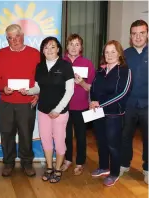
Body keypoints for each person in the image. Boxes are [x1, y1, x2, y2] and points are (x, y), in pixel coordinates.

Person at [20, 36, 74, 183]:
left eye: (52, 47)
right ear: (42, 50)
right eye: (46, 47)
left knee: (60, 141)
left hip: (60, 113)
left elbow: (69, 91)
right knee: (45, 141)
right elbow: (38, 87)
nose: (49, 50)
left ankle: (58, 169)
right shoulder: (40, 66)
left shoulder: (65, 66)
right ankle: (49, 167)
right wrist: (29, 91)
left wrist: (57, 109)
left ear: (58, 49)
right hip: (43, 110)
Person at [0, 24, 40, 177]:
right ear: (7, 40)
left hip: (26, 103)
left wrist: (38, 94)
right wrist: (2, 87)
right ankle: (8, 162)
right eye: (10, 38)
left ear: (23, 36)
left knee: (26, 134)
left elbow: (41, 79)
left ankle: (27, 162)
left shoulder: (35, 54)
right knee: (6, 134)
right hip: (6, 102)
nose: (14, 40)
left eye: (17, 36)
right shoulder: (1, 53)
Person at [90, 40, 132, 187]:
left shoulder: (125, 70)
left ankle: (114, 173)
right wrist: (93, 101)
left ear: (119, 53)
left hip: (114, 115)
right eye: (107, 52)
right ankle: (103, 167)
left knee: (113, 145)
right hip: (98, 113)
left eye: (113, 51)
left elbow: (122, 93)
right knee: (101, 142)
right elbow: (93, 89)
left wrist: (100, 103)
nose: (109, 55)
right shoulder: (100, 71)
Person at [61, 34, 95, 175]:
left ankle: (80, 162)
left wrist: (81, 82)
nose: (74, 47)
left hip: (81, 106)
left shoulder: (87, 63)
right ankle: (68, 159)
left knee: (81, 136)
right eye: (71, 44)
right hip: (64, 106)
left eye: (77, 44)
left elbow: (91, 87)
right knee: (66, 135)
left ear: (81, 47)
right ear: (67, 46)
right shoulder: (60, 62)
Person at [119, 20, 148, 184]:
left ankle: (148, 169)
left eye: (142, 33)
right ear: (130, 36)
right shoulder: (124, 54)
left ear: (147, 34)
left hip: (148, 105)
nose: (138, 37)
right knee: (125, 136)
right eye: (134, 33)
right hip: (128, 104)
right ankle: (124, 164)